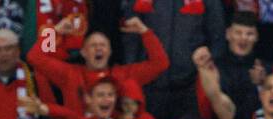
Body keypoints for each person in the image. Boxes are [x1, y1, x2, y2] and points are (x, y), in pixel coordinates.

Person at [26, 15, 168, 110]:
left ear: (110, 51)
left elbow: (160, 63)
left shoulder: (124, 74)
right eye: (93, 45)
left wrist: (145, 32)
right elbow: (35, 57)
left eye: (103, 45)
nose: (99, 48)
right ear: (83, 52)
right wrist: (54, 31)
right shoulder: (69, 74)